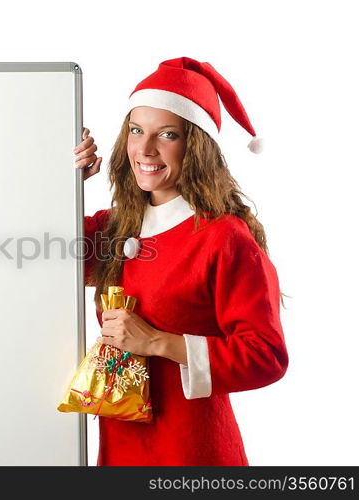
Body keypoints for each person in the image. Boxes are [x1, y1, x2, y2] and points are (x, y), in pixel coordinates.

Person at [73, 57, 289, 466]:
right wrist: (63, 181)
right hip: (121, 445)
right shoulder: (116, 227)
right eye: (136, 130)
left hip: (190, 452)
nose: (145, 149)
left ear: (195, 146)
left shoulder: (223, 237)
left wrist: (158, 342)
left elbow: (267, 355)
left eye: (167, 134)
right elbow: (42, 261)